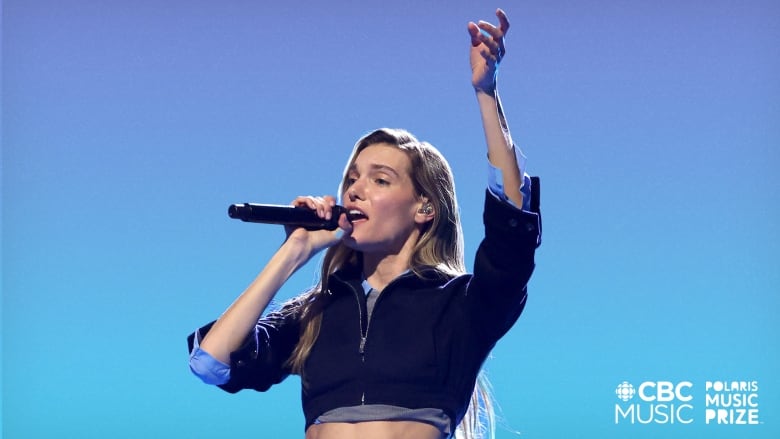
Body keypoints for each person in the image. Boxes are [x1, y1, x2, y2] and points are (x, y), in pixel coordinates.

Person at [187, 8, 541, 439]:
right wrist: (294, 251)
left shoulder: (461, 306)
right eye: (352, 179)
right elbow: (210, 362)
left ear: (425, 208)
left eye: (380, 179)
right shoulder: (315, 312)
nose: (354, 190)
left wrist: (487, 94)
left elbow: (512, 227)